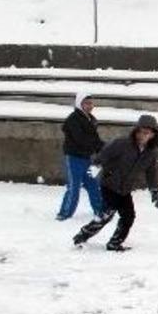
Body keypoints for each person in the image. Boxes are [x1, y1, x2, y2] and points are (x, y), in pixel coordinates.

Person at [72, 114, 158, 252]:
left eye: (147, 133)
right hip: (110, 183)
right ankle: (81, 236)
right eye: (140, 131)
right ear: (136, 130)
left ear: (153, 134)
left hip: (125, 189)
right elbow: (104, 154)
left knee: (128, 216)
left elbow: (151, 172)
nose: (142, 135)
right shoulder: (122, 144)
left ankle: (114, 243)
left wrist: (154, 190)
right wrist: (95, 166)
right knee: (107, 214)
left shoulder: (151, 152)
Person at [56, 92, 104, 221]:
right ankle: (64, 214)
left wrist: (104, 149)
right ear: (79, 104)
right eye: (86, 103)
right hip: (74, 158)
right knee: (74, 187)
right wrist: (95, 146)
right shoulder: (73, 119)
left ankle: (100, 211)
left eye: (91, 103)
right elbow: (81, 139)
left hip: (87, 158)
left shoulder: (91, 120)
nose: (90, 106)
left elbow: (95, 139)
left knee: (93, 184)